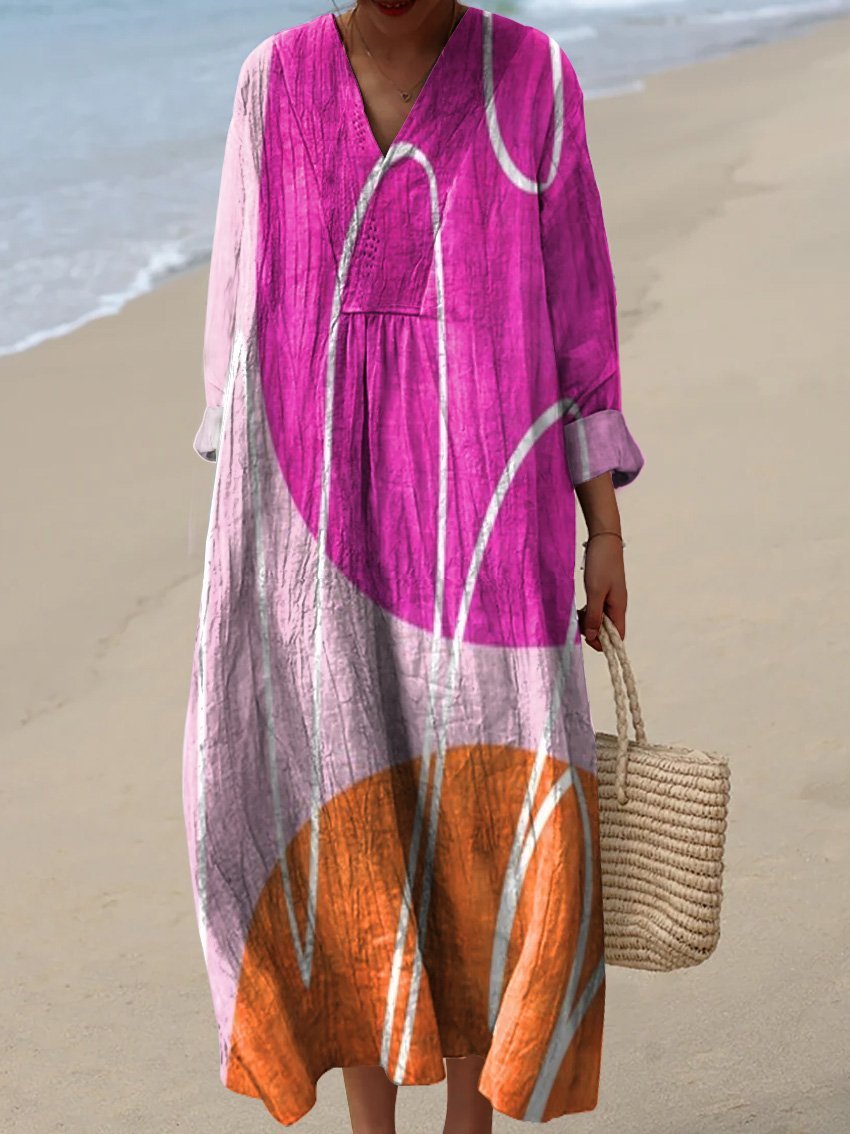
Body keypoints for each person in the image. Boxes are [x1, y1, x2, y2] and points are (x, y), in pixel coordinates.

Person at [182, 1, 645, 1131]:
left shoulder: (529, 78)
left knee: (483, 812)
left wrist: (605, 530)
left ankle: (469, 1126)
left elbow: (579, 320)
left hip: (491, 527)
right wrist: (253, 550)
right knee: (349, 804)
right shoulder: (272, 83)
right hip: (317, 524)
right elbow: (237, 325)